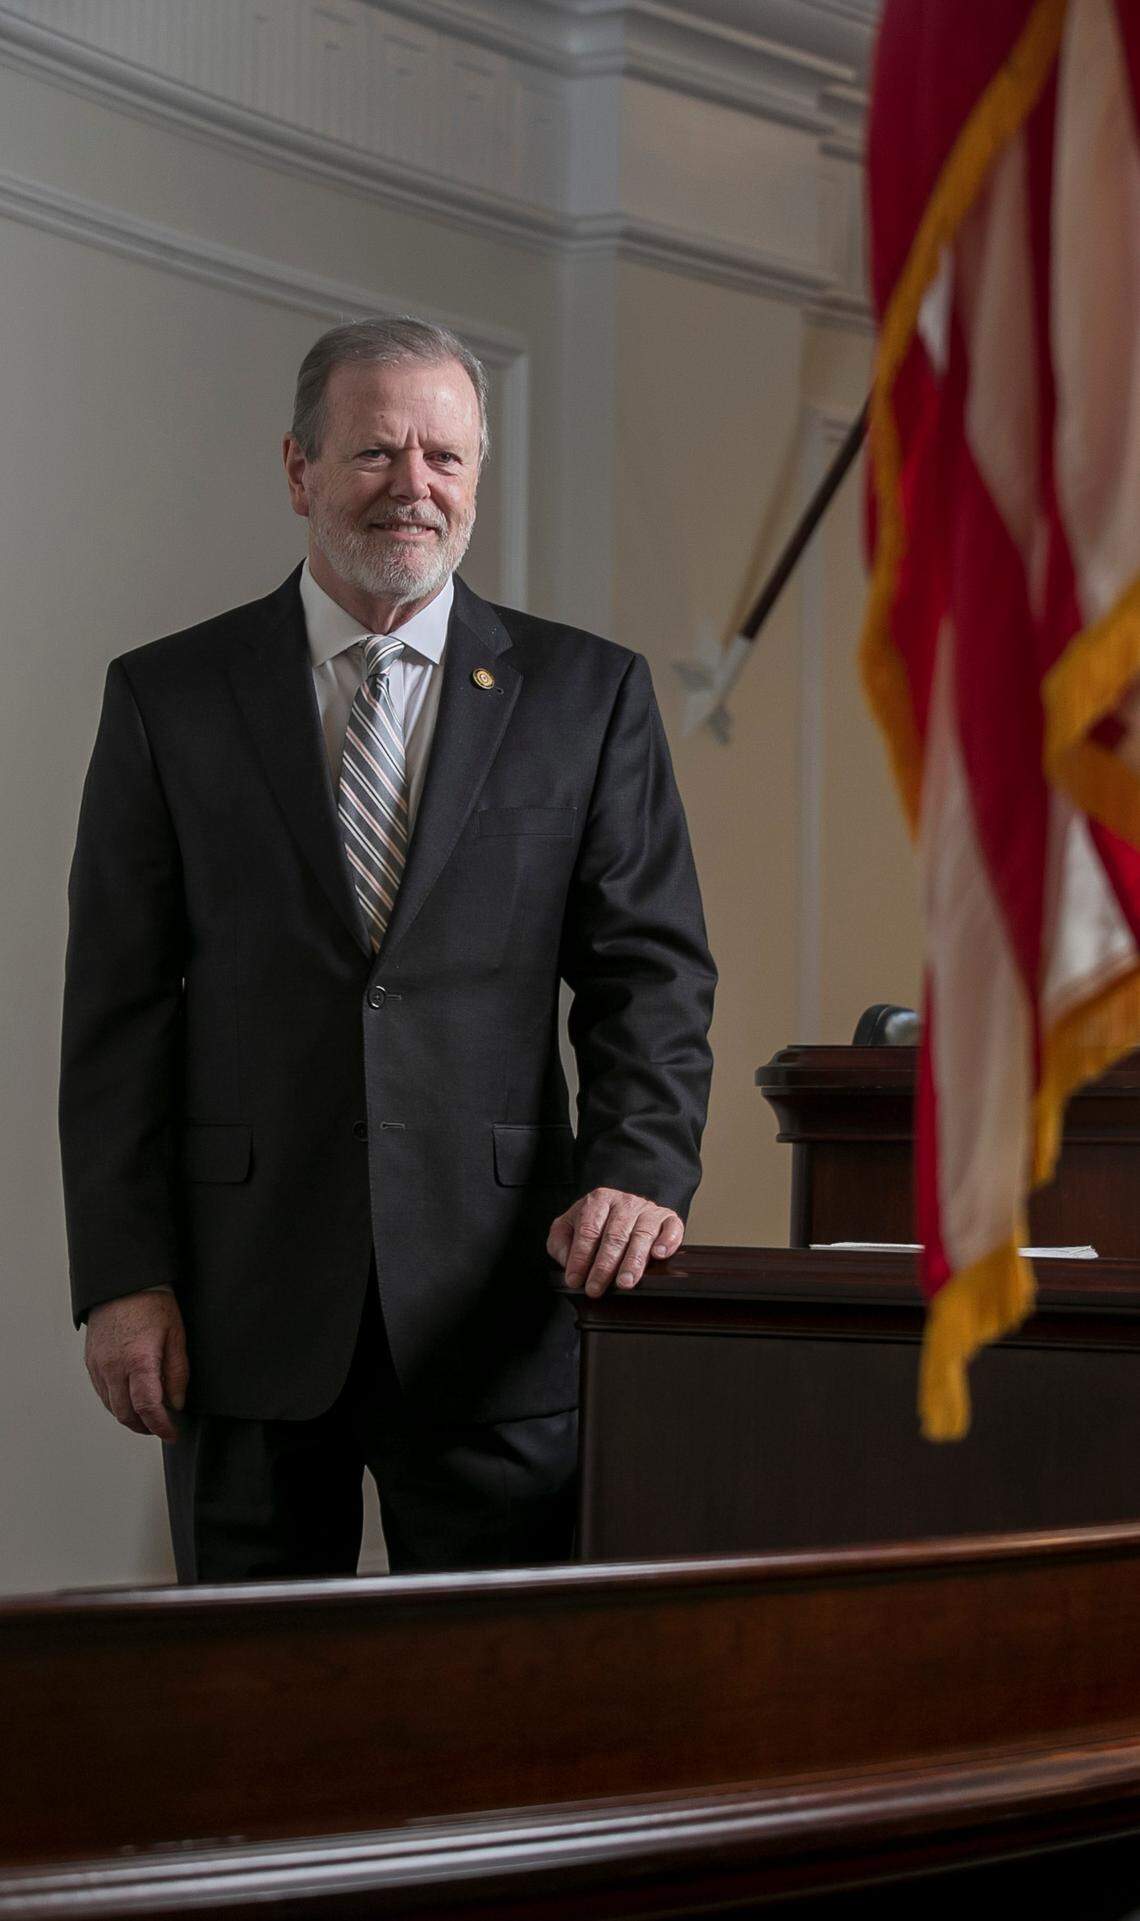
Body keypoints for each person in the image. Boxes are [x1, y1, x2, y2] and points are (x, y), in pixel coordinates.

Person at [59, 316, 716, 1582]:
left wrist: (641, 1169)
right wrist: (121, 1276)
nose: (414, 486)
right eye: (375, 453)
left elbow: (652, 972)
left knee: (501, 1708)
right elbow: (118, 1010)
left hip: (500, 1298)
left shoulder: (590, 696)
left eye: (446, 458)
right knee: (253, 1718)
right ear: (300, 470)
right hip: (237, 1306)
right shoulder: (169, 697)